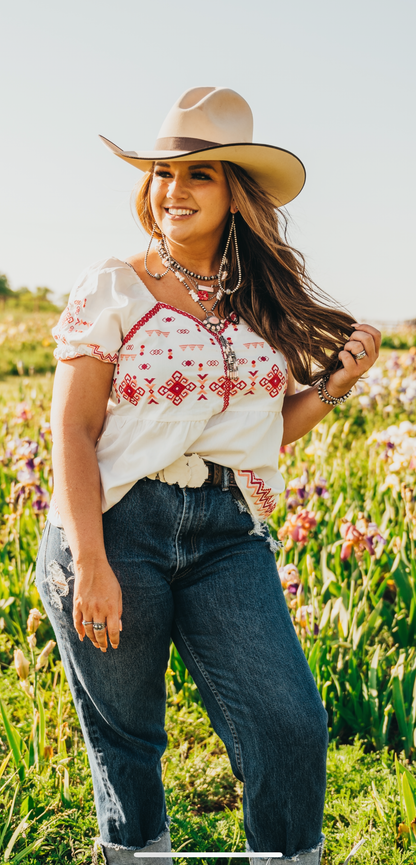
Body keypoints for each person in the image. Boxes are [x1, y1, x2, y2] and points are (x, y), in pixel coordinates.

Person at [36, 86, 380, 865]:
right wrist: (89, 561)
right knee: (129, 740)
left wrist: (332, 387)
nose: (172, 190)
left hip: (228, 531)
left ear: (235, 195)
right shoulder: (112, 287)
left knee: (290, 722)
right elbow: (73, 429)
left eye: (198, 176)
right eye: (163, 172)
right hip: (116, 529)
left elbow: (258, 438)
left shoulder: (260, 301)